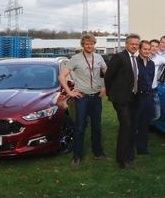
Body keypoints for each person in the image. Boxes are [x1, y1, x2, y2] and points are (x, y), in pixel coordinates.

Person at [58, 34, 108, 167]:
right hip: (82, 97)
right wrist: (69, 92)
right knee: (80, 127)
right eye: (87, 43)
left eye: (92, 43)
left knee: (96, 126)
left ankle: (98, 153)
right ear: (83, 45)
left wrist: (105, 87)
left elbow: (107, 72)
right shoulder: (75, 59)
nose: (89, 46)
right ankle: (77, 156)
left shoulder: (98, 58)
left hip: (96, 97)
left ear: (94, 44)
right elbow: (62, 76)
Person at [104, 33, 140, 169]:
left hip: (132, 97)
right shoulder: (119, 57)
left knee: (129, 127)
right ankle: (122, 160)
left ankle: (129, 155)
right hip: (120, 99)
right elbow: (108, 77)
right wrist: (111, 93)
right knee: (126, 126)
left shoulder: (135, 59)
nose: (134, 46)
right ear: (126, 44)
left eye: (136, 44)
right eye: (132, 44)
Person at [133, 40, 156, 156]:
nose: (147, 51)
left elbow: (151, 78)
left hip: (148, 96)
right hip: (137, 97)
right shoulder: (135, 63)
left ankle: (142, 148)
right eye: (145, 49)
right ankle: (129, 149)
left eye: (148, 49)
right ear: (139, 50)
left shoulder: (151, 64)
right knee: (134, 124)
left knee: (145, 124)